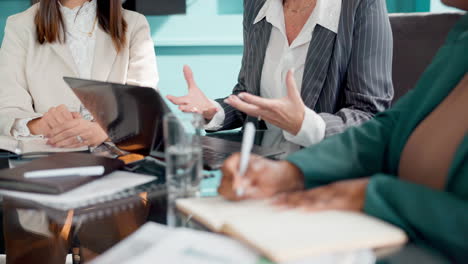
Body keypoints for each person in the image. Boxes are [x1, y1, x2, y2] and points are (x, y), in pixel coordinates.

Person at [218, 1, 468, 261]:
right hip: (374, 234)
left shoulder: (358, 7)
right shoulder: (463, 36)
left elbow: (368, 113)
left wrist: (371, 195)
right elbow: (389, 129)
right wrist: (291, 172)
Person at [167, 0, 393, 154]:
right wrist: (214, 111)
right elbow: (249, 94)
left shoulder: (360, 5)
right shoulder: (257, 4)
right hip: (259, 166)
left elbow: (369, 117)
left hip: (323, 174)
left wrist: (306, 125)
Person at [0, 0, 158, 148]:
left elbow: (143, 106)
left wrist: (106, 131)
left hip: (118, 159)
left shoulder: (134, 23)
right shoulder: (20, 25)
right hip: (47, 156)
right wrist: (38, 124)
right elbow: (7, 109)